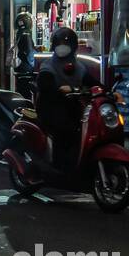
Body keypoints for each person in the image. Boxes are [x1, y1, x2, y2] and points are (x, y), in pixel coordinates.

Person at [33, 25, 102, 172]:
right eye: (59, 44)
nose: (62, 47)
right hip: (52, 109)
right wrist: (58, 91)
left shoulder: (80, 68)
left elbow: (93, 83)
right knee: (64, 130)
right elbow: (45, 86)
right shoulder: (48, 67)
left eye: (66, 44)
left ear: (73, 46)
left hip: (74, 109)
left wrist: (109, 92)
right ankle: (60, 168)